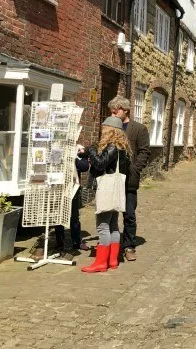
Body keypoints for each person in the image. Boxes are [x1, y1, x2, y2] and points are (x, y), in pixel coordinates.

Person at [79, 116, 132, 273]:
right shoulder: (123, 149)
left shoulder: (112, 147)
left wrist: (91, 150)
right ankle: (113, 260)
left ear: (110, 130)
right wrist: (87, 153)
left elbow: (100, 163)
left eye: (104, 129)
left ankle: (101, 263)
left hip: (107, 190)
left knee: (102, 227)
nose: (102, 131)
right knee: (113, 225)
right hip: (117, 191)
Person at [108, 96, 150, 262]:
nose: (113, 113)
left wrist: (135, 168)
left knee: (129, 214)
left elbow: (145, 152)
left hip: (129, 178)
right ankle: (111, 244)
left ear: (125, 110)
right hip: (111, 176)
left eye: (115, 110)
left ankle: (129, 246)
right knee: (110, 214)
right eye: (111, 110)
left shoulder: (138, 129)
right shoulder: (110, 126)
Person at [53, 157, 89, 253]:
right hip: (58, 188)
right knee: (58, 217)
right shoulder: (57, 148)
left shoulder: (76, 151)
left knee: (74, 217)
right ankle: (59, 243)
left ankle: (77, 242)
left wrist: (75, 159)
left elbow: (85, 166)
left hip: (72, 189)